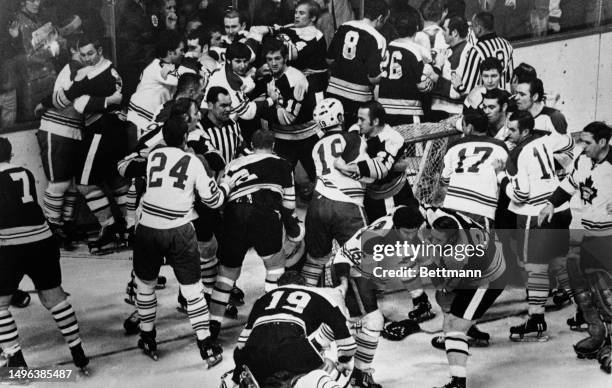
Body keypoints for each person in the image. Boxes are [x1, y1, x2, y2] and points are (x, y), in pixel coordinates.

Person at [132, 113, 232, 366]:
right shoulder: (193, 161)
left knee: (145, 285)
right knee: (192, 290)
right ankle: (206, 346)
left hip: (147, 226)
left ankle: (147, 336)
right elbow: (213, 200)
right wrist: (225, 187)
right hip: (179, 228)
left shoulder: (153, 155)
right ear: (186, 137)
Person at [0, 137, 89, 373]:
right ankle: (77, 350)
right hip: (42, 240)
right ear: (10, 156)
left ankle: (14, 359)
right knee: (54, 298)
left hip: (10, 245)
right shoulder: (24, 172)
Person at [208, 129, 304, 340]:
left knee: (226, 274)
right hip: (265, 215)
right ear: (273, 146)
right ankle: (271, 321)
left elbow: (220, 201)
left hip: (234, 216)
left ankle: (212, 327)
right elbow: (289, 208)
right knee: (275, 267)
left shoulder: (233, 164)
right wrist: (296, 234)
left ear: (251, 146)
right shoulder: (284, 164)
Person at [539, 122, 612, 373]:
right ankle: (597, 334)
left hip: (607, 237)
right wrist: (550, 203)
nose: (582, 147)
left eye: (587, 142)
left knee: (605, 293)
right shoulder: (583, 159)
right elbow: (569, 184)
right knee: (578, 286)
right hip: (583, 231)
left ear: (603, 143)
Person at [332, 204, 425, 387]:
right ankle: (357, 374)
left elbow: (401, 209)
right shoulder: (376, 240)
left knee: (364, 323)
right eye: (406, 232)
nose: (411, 236)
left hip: (360, 266)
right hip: (348, 270)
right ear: (396, 228)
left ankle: (355, 372)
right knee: (372, 322)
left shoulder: (401, 218)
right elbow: (367, 277)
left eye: (413, 231)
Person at [499, 110, 572, 342]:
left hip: (536, 214)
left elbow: (520, 194)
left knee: (535, 267)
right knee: (560, 263)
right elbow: (567, 141)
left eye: (512, 130)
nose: (508, 134)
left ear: (526, 131)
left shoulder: (517, 154)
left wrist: (502, 176)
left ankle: (536, 318)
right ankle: (585, 312)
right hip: (559, 208)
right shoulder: (544, 137)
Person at [420, 206, 506, 388]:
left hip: (489, 277)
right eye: (432, 237)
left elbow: (448, 286)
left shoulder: (459, 256)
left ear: (452, 240)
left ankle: (458, 382)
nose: (433, 242)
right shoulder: (444, 218)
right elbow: (429, 211)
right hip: (489, 258)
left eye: (438, 240)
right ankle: (470, 330)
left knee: (453, 325)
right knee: (456, 308)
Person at [60, 35, 130, 255]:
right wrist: (106, 102)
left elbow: (79, 104)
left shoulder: (103, 74)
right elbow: (85, 101)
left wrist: (93, 100)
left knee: (83, 183)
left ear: (100, 51)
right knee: (116, 179)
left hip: (102, 130)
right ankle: (128, 227)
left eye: (91, 53)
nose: (87, 58)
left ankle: (108, 227)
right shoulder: (97, 72)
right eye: (83, 55)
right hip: (112, 130)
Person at [231, 271, 356, 386]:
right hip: (292, 349)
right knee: (329, 371)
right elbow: (341, 327)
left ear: (279, 286)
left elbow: (242, 343)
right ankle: (308, 381)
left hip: (255, 354)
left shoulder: (262, 299)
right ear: (304, 285)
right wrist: (345, 360)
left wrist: (237, 374)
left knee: (264, 375)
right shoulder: (316, 294)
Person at [300, 98, 373, 286]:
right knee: (362, 257)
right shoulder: (353, 138)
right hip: (346, 204)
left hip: (317, 204)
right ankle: (367, 309)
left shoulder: (315, 146)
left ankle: (310, 296)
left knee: (315, 260)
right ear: (340, 117)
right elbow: (366, 171)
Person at [35, 35, 84, 249]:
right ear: (74, 49)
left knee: (71, 185)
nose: (88, 56)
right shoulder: (74, 68)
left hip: (72, 130)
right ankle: (52, 229)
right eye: (83, 51)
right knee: (60, 184)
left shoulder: (81, 69)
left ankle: (65, 226)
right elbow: (63, 97)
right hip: (57, 129)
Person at [258, 38, 319, 189]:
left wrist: (268, 105)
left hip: (306, 136)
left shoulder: (296, 79)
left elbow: (287, 118)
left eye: (277, 58)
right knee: (279, 182)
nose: (273, 63)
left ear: (285, 58)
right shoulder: (266, 75)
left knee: (320, 180)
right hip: (281, 137)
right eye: (269, 59)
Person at [440, 109, 508, 225]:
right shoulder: (500, 146)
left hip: (453, 205)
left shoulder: (453, 147)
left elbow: (445, 180)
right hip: (482, 209)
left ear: (470, 127)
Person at [326, 0, 388, 127]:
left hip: (333, 91)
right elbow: (373, 77)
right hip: (358, 98)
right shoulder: (378, 38)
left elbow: (329, 59)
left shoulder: (344, 26)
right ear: (380, 17)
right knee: (354, 137)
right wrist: (385, 73)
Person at [127, 30, 187, 138]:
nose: (184, 54)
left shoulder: (168, 66)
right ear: (170, 52)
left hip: (147, 120)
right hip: (138, 119)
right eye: (181, 50)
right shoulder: (158, 67)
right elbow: (183, 80)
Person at [377, 8, 432, 126]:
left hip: (384, 107)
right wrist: (436, 68)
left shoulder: (388, 47)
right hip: (407, 110)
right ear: (417, 28)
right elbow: (423, 87)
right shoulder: (416, 52)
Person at [455, 12, 513, 96]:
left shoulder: (476, 50)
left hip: (485, 104)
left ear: (479, 28)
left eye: (473, 27)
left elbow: (468, 90)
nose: (472, 30)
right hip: (502, 100)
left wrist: (458, 86)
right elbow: (508, 77)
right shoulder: (506, 44)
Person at [430, 16, 471, 119]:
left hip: (453, 113)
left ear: (454, 33)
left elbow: (455, 92)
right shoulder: (451, 50)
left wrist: (435, 76)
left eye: (445, 29)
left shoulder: (463, 53)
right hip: (445, 111)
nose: (442, 33)